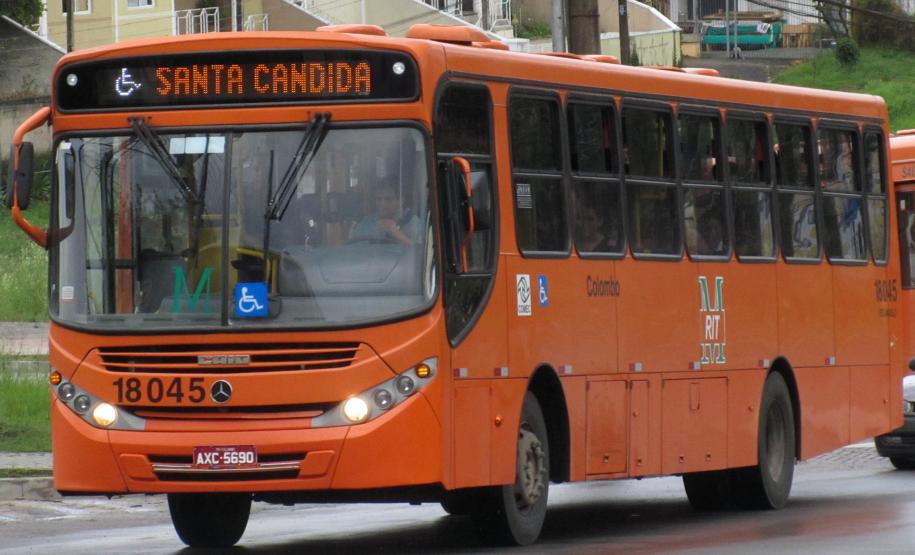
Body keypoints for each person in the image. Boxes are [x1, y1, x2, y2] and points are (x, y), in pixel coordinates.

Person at [350, 183, 420, 245]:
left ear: (401, 201)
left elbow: (421, 253)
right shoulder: (367, 222)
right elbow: (353, 247)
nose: (382, 204)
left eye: (388, 199)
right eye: (378, 199)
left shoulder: (414, 223)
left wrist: (396, 232)